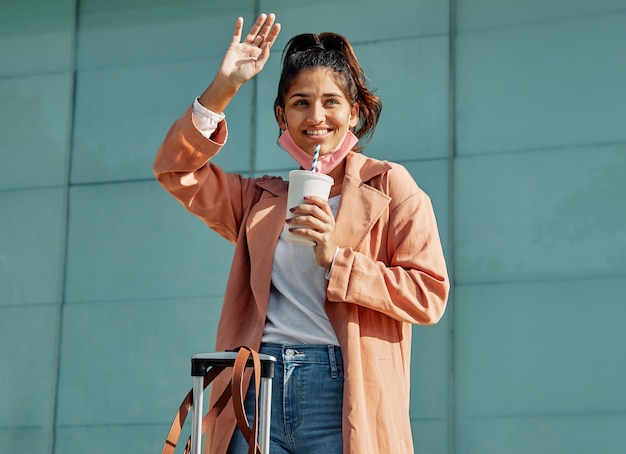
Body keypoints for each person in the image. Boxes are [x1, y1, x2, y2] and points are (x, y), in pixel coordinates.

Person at [154, 13, 449, 454]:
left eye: (331, 102)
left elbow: (428, 294)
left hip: (342, 392)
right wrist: (224, 88)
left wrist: (337, 258)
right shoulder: (259, 200)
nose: (316, 116)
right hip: (257, 388)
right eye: (300, 102)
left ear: (354, 113)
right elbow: (177, 170)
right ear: (281, 114)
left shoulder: (390, 187)